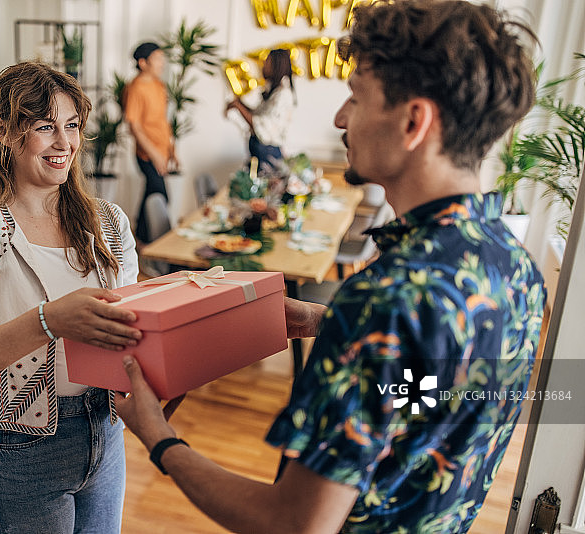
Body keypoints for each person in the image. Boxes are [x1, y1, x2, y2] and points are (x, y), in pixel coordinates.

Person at [116, 1, 547, 532]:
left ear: (414, 122)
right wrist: (330, 324)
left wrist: (158, 437)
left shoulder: (385, 298)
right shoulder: (515, 265)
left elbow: (294, 523)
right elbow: (440, 393)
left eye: (356, 96)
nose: (341, 117)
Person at [0, 62, 143, 533]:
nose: (65, 144)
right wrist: (48, 321)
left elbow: (133, 326)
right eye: (45, 127)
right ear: (3, 130)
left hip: (106, 427)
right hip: (23, 447)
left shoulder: (108, 224)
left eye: (73, 125)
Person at [123, 41, 179, 244]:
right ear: (143, 62)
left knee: (151, 194)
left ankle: (139, 239)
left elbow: (163, 121)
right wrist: (155, 154)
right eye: (157, 59)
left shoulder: (159, 85)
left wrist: (172, 150)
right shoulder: (135, 88)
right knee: (161, 196)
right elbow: (134, 127)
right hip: (146, 154)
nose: (162, 63)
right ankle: (150, 242)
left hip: (162, 151)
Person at [225, 48, 296, 171]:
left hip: (267, 153)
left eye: (267, 62)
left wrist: (238, 106)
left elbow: (262, 124)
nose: (263, 65)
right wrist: (239, 104)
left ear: (276, 65)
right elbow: (257, 114)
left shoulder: (283, 95)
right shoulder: (274, 92)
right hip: (260, 151)